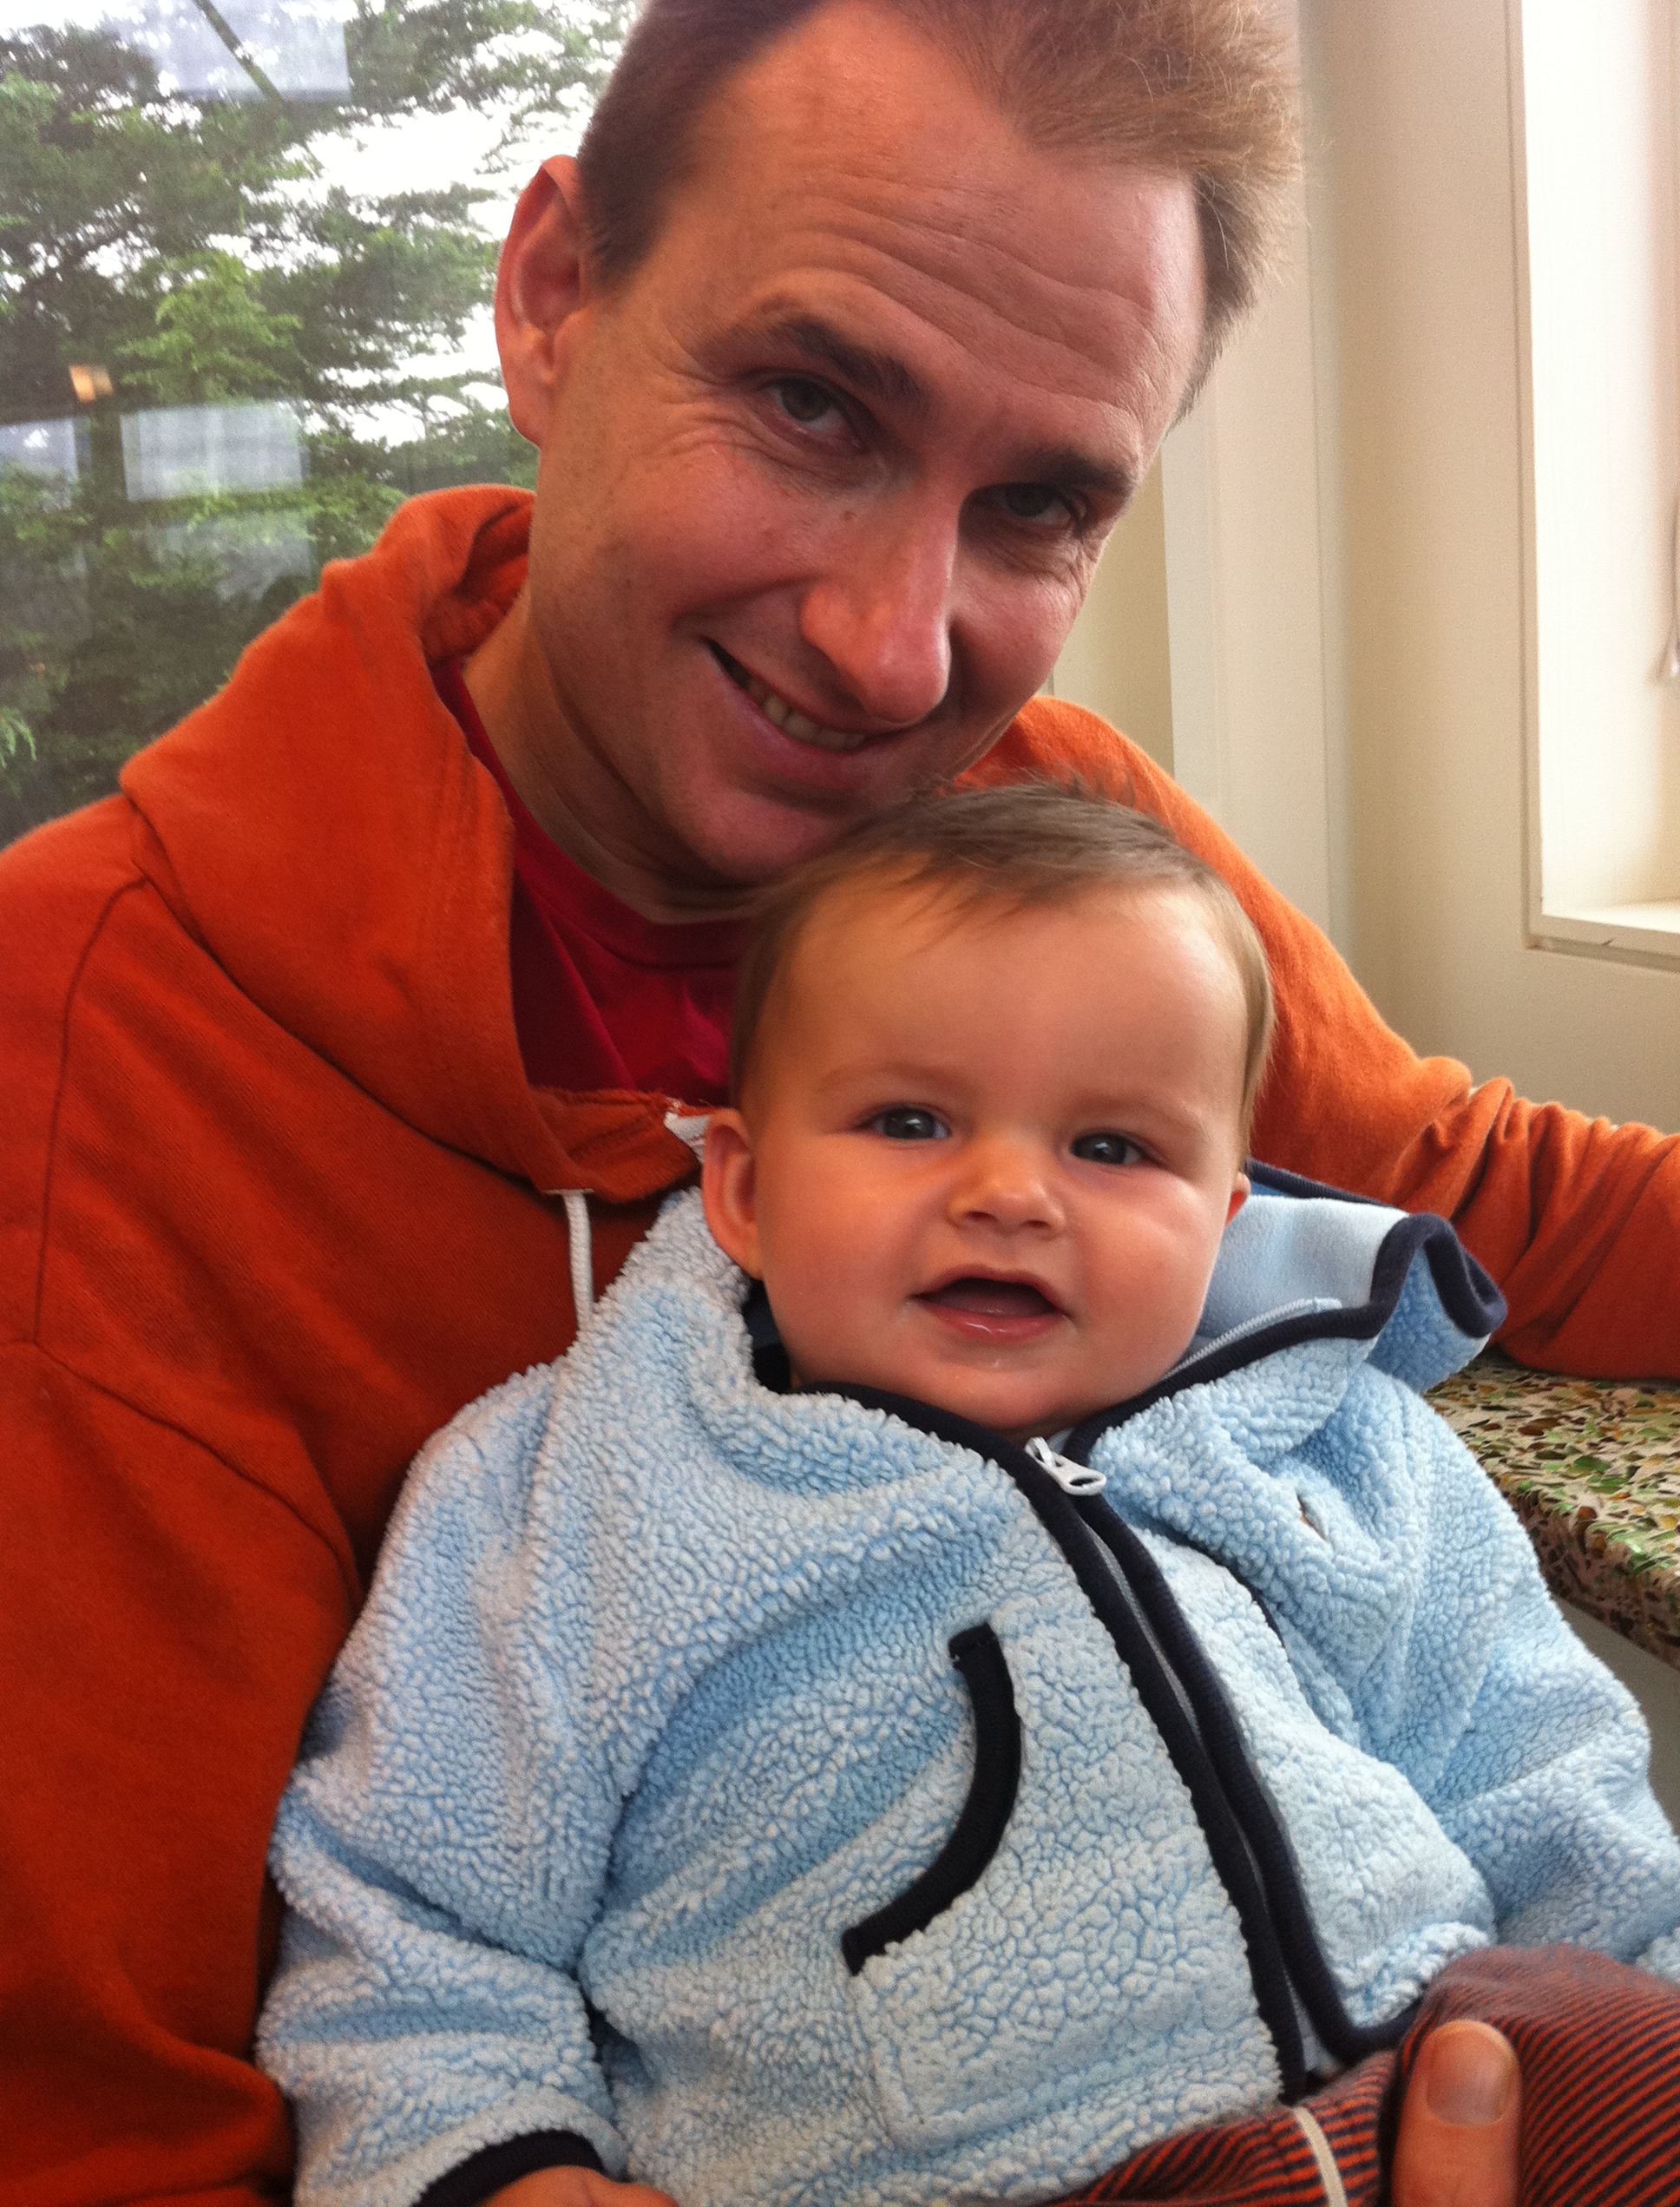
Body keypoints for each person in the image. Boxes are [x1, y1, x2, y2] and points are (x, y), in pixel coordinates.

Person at [3, 0, 1674, 2197]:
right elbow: (108, 2125)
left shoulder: (1049, 839)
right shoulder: (80, 1069)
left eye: (1039, 507)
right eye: (809, 404)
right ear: (552, 296)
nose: (894, 652)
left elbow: (1479, 1185)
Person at [255, 787, 1680, 2207]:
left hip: (1458, 2088)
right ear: (743, 1188)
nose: (1009, 1194)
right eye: (910, 1120)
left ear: (1221, 1221)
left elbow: (1543, 1775)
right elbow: (410, 1920)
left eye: (1112, 1148)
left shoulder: (1344, 1444)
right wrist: (501, 2170)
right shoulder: (577, 1496)